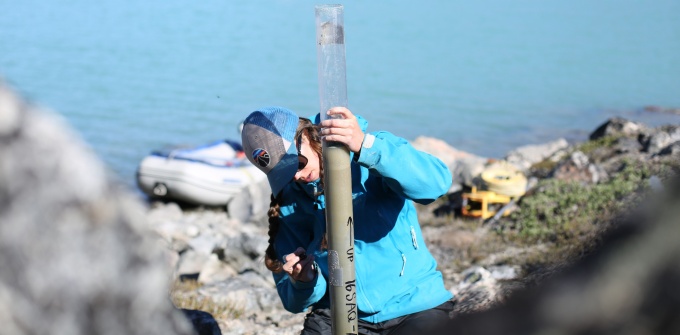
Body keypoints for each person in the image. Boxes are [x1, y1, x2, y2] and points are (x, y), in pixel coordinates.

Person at [240, 106, 455, 334]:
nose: (296, 176)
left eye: (297, 163)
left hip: (414, 306)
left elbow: (436, 184)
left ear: (306, 137)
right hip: (340, 312)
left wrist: (366, 146)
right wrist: (304, 281)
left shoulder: (373, 152)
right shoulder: (290, 201)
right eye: (283, 172)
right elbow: (292, 303)